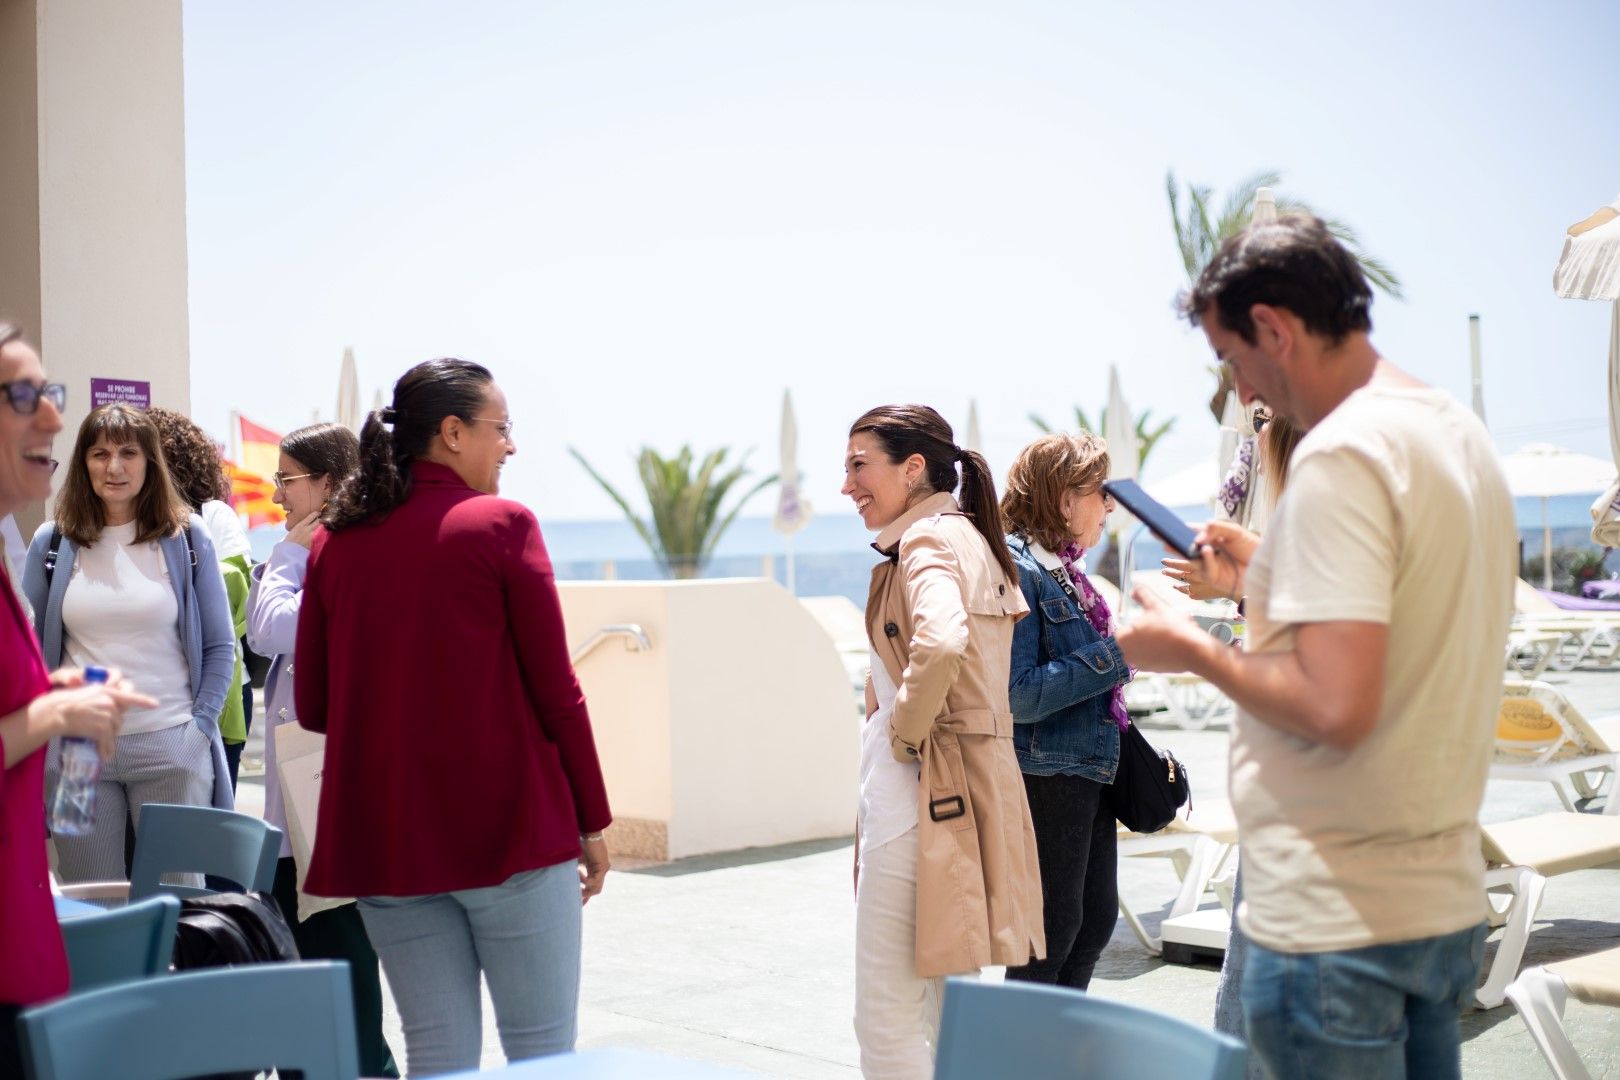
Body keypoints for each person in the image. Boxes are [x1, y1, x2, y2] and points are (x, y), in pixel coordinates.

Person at [1117, 214, 1516, 1080]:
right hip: (1434, 895)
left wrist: (1186, 646)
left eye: (1233, 359)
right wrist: (1271, 577)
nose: (1240, 389)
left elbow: (1336, 706)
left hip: (1332, 919)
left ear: (1275, 329)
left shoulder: (1341, 456)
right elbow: (1411, 620)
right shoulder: (1453, 433)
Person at [295, 358, 612, 1076]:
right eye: (501, 429)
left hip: (386, 843)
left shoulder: (334, 544)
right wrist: (591, 818)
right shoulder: (501, 524)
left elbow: (314, 707)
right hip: (511, 836)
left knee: (437, 1057)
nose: (509, 445)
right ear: (451, 431)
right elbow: (556, 690)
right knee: (542, 1057)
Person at [843, 403, 1043, 1079]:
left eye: (859, 465)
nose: (848, 486)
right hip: (967, 786)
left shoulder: (925, 542)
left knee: (886, 1011)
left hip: (919, 792)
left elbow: (943, 639)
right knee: (937, 1001)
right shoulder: (970, 538)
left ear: (915, 466)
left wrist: (901, 734)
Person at [0, 324, 154, 1074]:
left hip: (21, 937)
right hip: (80, 764)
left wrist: (55, 694)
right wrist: (59, 711)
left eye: (51, 396)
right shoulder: (50, 544)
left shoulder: (183, 542)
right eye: (22, 397)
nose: (54, 419)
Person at [24, 403, 236, 885]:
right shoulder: (53, 542)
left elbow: (221, 646)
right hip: (77, 751)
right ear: (83, 463)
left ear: (150, 462)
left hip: (170, 742)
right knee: (91, 901)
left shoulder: (186, 538)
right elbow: (31, 652)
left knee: (180, 905)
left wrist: (199, 730)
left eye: (127, 453)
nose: (113, 467)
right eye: (99, 453)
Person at [247, 421, 398, 1077]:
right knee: (310, 970)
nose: (279, 494)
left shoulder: (348, 555)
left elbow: (269, 627)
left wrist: (285, 556)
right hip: (296, 810)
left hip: (326, 805)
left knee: (341, 971)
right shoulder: (320, 553)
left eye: (287, 480)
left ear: (328, 483)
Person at [997, 431, 1130, 990]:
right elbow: (1019, 695)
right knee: (1048, 937)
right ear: (1064, 498)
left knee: (1092, 926)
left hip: (1087, 770)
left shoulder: (1065, 574)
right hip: (1048, 773)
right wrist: (1122, 653)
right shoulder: (1020, 569)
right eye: (1101, 490)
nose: (1110, 505)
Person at [148, 406, 255, 788]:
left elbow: (234, 595)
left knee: (205, 828)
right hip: (150, 703)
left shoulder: (213, 517)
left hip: (215, 697)